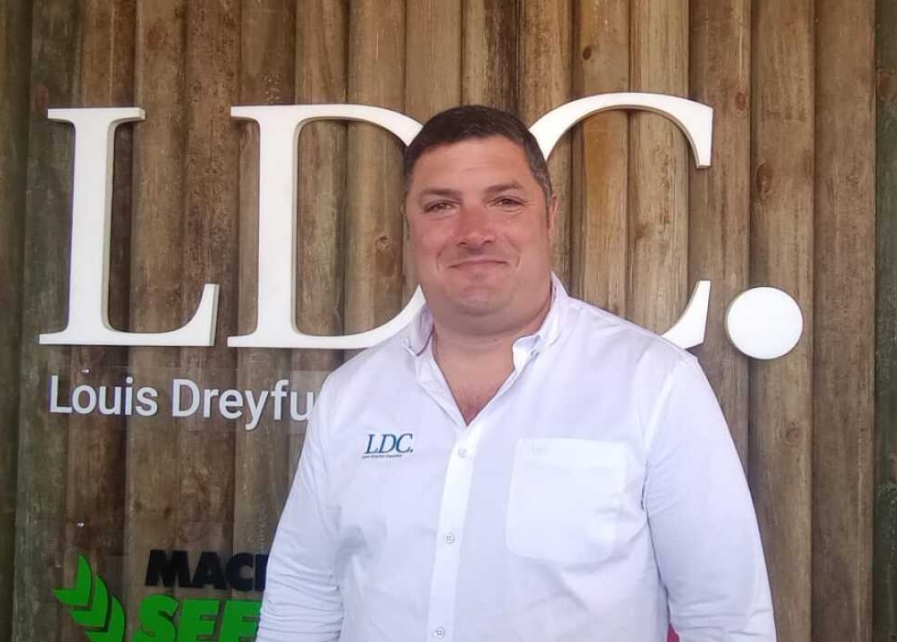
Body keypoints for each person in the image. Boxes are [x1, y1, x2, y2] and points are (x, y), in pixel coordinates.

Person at [256, 105, 775, 642]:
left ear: (549, 214)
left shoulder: (656, 383)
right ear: (409, 225)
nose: (474, 232)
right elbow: (303, 598)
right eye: (441, 206)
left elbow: (726, 621)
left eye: (504, 201)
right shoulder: (350, 395)